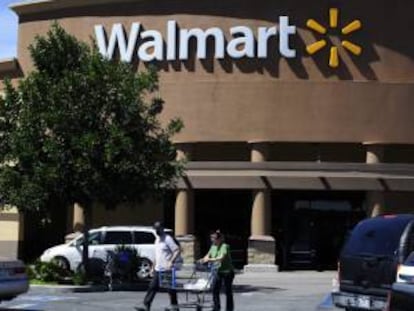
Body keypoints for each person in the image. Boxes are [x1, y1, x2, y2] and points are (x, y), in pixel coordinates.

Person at [135, 221, 181, 311]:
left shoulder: (167, 239)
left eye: (158, 229)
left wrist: (171, 261)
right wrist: (153, 267)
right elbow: (157, 255)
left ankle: (175, 306)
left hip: (166, 269)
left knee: (170, 289)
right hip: (158, 268)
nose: (157, 231)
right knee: (152, 287)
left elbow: (177, 250)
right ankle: (146, 305)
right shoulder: (157, 240)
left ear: (162, 228)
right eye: (155, 229)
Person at [199, 230, 235, 311]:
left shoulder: (225, 246)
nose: (212, 240)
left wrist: (210, 260)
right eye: (211, 238)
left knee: (228, 291)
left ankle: (229, 309)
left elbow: (221, 258)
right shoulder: (213, 246)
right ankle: (216, 307)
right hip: (218, 271)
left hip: (227, 271)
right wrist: (202, 260)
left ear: (219, 239)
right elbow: (207, 255)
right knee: (215, 290)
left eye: (214, 238)